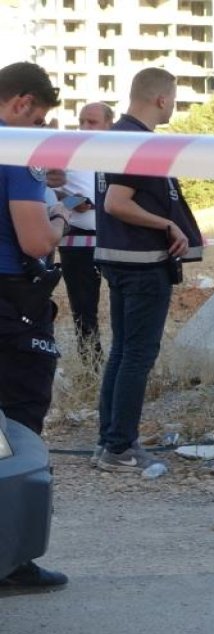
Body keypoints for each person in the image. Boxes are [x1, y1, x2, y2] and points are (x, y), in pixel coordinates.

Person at [94, 68, 203, 473]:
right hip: (141, 264)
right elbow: (117, 202)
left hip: (121, 259)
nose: (173, 106)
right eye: (173, 99)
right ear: (161, 99)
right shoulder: (137, 142)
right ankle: (120, 447)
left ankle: (110, 441)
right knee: (136, 355)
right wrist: (167, 224)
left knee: (123, 353)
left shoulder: (115, 137)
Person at [0, 61, 69, 591]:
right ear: (21, 102)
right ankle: (11, 559)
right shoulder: (13, 150)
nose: (39, 129)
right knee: (17, 429)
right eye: (39, 117)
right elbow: (36, 242)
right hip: (10, 307)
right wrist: (60, 215)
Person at [55, 101, 112, 363]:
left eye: (92, 122)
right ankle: (92, 364)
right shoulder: (65, 153)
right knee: (83, 308)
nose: (85, 127)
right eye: (82, 121)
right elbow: (47, 197)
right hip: (77, 242)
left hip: (116, 240)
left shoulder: (121, 155)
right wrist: (71, 201)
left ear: (109, 125)